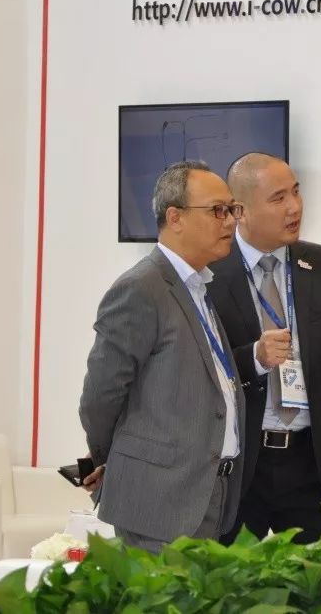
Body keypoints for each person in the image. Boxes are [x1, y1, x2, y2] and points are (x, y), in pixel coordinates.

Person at [207, 153, 321, 544]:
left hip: (309, 462)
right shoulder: (210, 272)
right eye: (278, 198)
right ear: (240, 211)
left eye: (296, 193)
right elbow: (196, 366)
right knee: (231, 578)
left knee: (315, 577)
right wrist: (253, 357)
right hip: (239, 463)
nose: (295, 207)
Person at [79, 161, 246, 552]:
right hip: (158, 501)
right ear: (175, 218)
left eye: (232, 210)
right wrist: (109, 458)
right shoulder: (141, 288)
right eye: (217, 210)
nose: (230, 221)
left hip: (208, 494)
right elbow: (100, 396)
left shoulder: (198, 287)